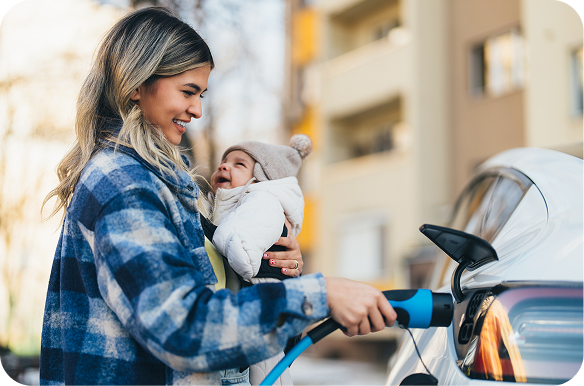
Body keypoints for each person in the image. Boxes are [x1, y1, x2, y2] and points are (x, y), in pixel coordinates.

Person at [39, 6, 397, 386]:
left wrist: (274, 274)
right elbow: (182, 327)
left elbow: (218, 314)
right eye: (188, 92)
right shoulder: (123, 183)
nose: (197, 110)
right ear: (136, 86)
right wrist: (319, 295)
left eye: (202, 95)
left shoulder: (165, 185)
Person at [201, 134, 312, 386]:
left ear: (261, 178)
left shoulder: (260, 206)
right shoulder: (206, 210)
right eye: (223, 161)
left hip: (242, 347)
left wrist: (289, 273)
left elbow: (242, 246)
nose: (224, 166)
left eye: (239, 164)